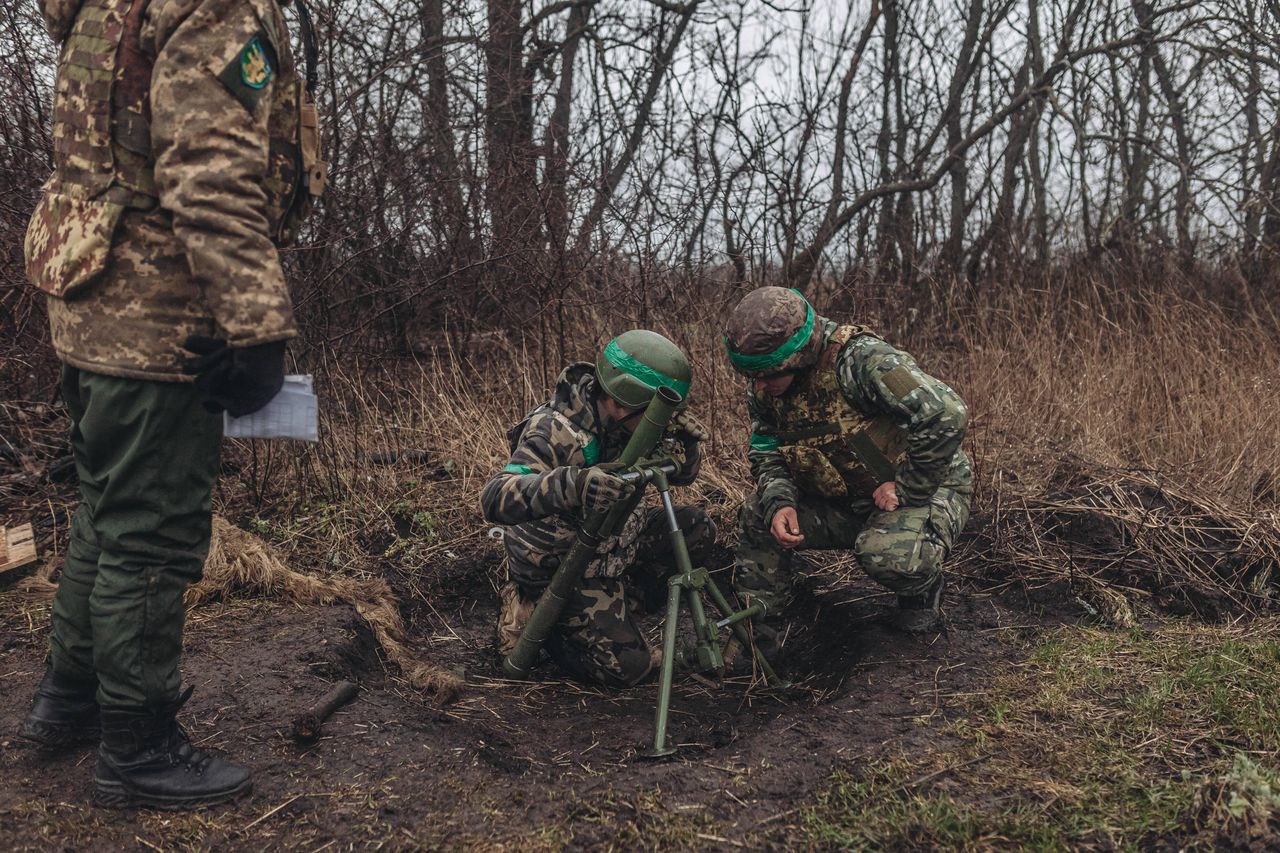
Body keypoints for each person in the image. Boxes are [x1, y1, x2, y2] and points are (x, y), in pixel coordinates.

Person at [19, 0, 324, 808]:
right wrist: (257, 328)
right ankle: (139, 744)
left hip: (92, 298)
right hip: (157, 318)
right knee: (152, 535)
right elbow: (212, 174)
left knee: (106, 512)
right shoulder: (212, 8)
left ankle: (69, 699)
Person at [723, 287, 971, 650]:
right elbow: (766, 447)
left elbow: (946, 413)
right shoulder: (764, 387)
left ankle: (921, 587)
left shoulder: (863, 361)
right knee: (759, 512)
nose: (758, 385)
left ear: (798, 358)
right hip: (843, 498)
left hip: (924, 490)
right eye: (752, 376)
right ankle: (761, 630)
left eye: (767, 375)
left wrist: (909, 487)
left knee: (887, 556)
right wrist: (780, 501)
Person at [480, 330, 714, 687]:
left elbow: (681, 477)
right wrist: (575, 484)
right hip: (560, 561)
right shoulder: (555, 431)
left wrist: (686, 445)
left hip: (612, 540)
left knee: (696, 528)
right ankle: (538, 612)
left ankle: (616, 605)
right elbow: (495, 497)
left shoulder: (628, 418)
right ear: (622, 402)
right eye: (658, 411)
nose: (663, 420)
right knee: (629, 669)